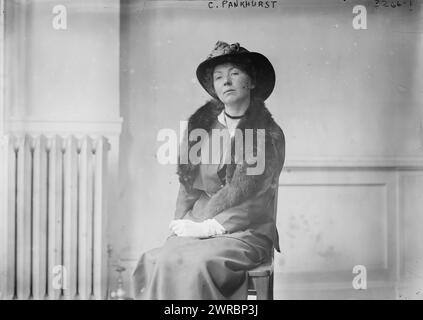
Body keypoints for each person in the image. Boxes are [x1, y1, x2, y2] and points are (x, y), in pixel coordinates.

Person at [132, 41, 285, 300]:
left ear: (252, 81)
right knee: (158, 259)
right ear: (213, 87)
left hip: (246, 229)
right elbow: (188, 186)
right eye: (218, 77)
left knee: (196, 266)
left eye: (235, 73)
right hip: (198, 220)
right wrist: (180, 226)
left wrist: (211, 228)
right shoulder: (200, 130)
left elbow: (259, 199)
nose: (226, 81)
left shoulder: (267, 134)